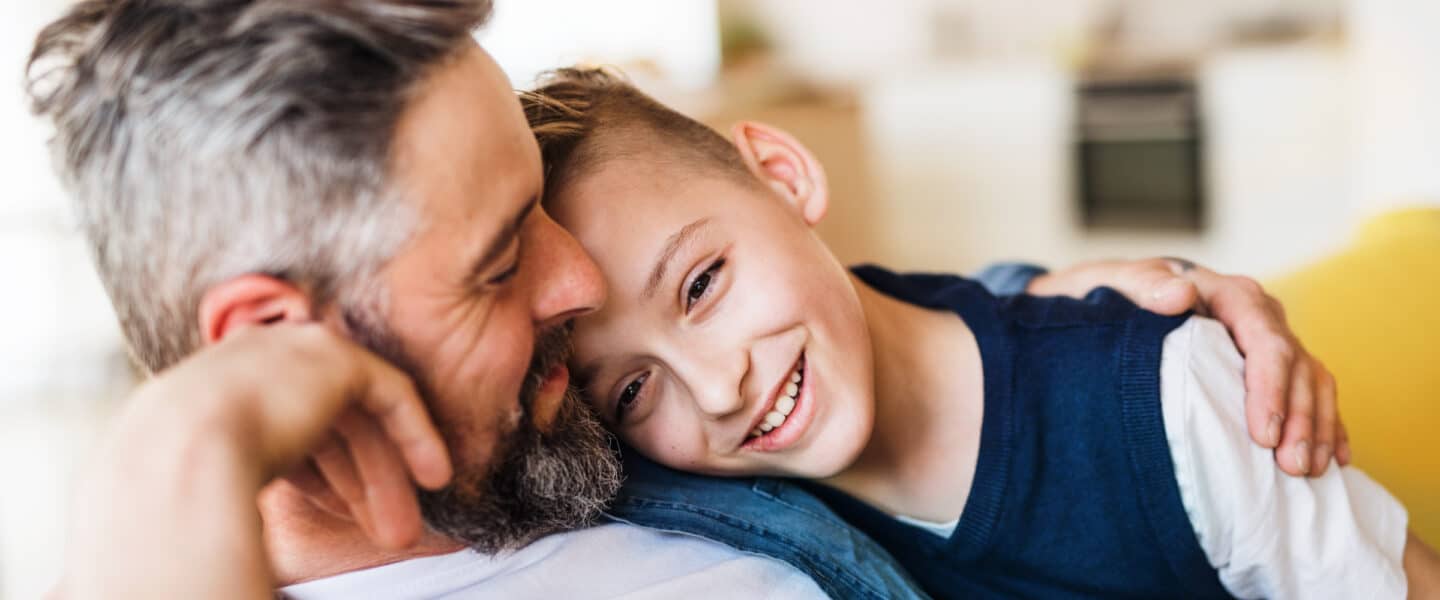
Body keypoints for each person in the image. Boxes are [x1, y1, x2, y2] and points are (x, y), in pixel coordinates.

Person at [26, 1, 1350, 598]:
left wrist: (1069, 340)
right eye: (500, 263)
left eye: (542, 216)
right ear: (269, 342)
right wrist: (172, 454)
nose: (577, 284)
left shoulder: (561, 450)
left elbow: (854, 352)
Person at [523, 67, 1440, 598]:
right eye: (634, 390)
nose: (718, 387)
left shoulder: (1168, 396)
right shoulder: (725, 529)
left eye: (702, 284)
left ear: (783, 173)